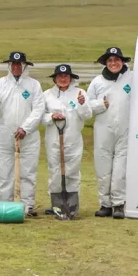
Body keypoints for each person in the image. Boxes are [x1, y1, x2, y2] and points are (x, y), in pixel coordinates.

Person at [0, 51, 45, 216]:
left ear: (25, 65)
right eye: (13, 64)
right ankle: (5, 205)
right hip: (4, 135)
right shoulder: (0, 83)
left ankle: (27, 206)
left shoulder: (34, 85)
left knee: (28, 172)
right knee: (5, 172)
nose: (16, 67)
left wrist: (25, 128)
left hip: (29, 137)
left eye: (19, 64)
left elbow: (39, 109)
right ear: (9, 65)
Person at [87, 47, 134, 219]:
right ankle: (105, 204)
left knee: (120, 168)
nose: (114, 63)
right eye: (110, 61)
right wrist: (100, 105)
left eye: (117, 60)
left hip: (125, 129)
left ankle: (119, 203)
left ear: (123, 62)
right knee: (103, 167)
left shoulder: (132, 78)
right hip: (103, 130)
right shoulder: (97, 82)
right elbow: (86, 106)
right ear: (106, 63)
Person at [42, 64, 91, 219]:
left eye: (66, 76)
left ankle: (72, 205)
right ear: (55, 78)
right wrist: (51, 117)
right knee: (55, 170)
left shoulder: (80, 93)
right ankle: (56, 204)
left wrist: (82, 104)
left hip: (73, 138)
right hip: (53, 139)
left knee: (72, 171)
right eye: (60, 76)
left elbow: (87, 115)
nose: (63, 79)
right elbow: (41, 116)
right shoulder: (47, 95)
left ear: (70, 78)